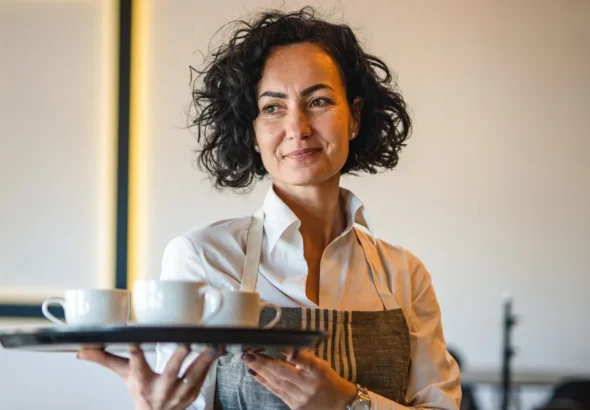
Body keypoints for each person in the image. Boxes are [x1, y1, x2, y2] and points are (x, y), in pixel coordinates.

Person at [78, 7, 461, 410]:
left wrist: (349, 402)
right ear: (254, 131)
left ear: (355, 117)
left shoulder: (404, 276)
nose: (297, 128)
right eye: (273, 107)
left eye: (319, 100)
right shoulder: (204, 258)